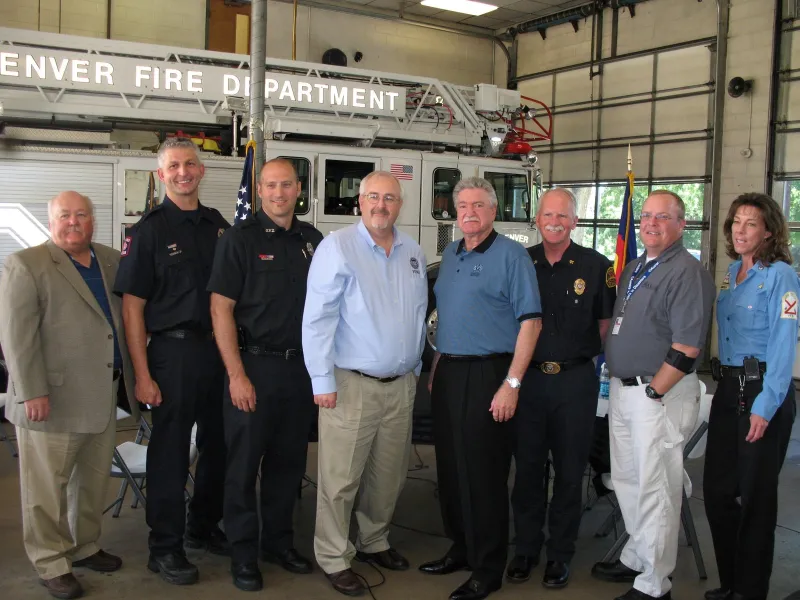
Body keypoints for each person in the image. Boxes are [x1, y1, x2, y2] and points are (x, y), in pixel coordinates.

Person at [0, 191, 139, 600]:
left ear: (93, 219)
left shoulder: (111, 260)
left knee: (92, 483)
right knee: (46, 489)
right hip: (51, 400)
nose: (74, 222)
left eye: (81, 214)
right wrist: (31, 393)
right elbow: (16, 337)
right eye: (65, 215)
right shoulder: (27, 265)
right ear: (51, 220)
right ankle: (50, 560)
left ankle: (84, 546)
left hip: (103, 396)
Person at [302, 171, 427, 597]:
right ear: (360, 200)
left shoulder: (412, 250)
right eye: (373, 196)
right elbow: (317, 319)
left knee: (388, 475)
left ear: (400, 203)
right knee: (340, 480)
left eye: (389, 198)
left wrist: (413, 368)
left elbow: (417, 314)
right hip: (350, 384)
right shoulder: (338, 247)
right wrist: (322, 379)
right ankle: (334, 556)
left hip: (401, 384)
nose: (381, 205)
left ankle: (374, 540)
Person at [113, 137, 230, 586]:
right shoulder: (148, 231)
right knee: (170, 452)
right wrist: (142, 374)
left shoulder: (219, 225)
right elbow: (132, 309)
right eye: (174, 166)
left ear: (201, 172)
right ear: (162, 176)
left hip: (217, 351)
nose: (183, 172)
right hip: (171, 353)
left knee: (220, 445)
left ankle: (203, 526)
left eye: (190, 164)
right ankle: (164, 546)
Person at [420, 177, 542, 600]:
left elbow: (531, 322)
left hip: (491, 374)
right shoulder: (451, 254)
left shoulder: (512, 256)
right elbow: (448, 319)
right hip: (450, 372)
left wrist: (512, 383)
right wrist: (438, 367)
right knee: (451, 471)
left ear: (493, 211)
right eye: (463, 205)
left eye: (478, 205)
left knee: (484, 474)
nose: (469, 212)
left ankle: (488, 569)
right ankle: (461, 548)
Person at [592, 190, 715, 600]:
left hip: (656, 394)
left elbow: (687, 347)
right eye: (646, 216)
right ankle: (636, 555)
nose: (650, 223)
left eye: (662, 217)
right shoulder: (634, 268)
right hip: (626, 394)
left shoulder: (686, 271)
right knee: (628, 480)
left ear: (682, 224)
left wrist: (653, 391)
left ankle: (654, 582)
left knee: (656, 486)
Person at [207, 159, 323, 592]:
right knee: (242, 468)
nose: (279, 193)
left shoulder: (313, 241)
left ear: (298, 189)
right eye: (271, 185)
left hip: (299, 371)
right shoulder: (239, 239)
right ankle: (242, 553)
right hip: (252, 366)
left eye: (287, 185)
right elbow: (221, 309)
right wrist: (236, 374)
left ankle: (278, 543)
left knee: (288, 465)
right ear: (259, 190)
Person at [508, 188, 616, 588]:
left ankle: (560, 555)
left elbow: (604, 330)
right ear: (537, 219)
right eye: (547, 214)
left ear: (574, 221)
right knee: (528, 471)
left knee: (571, 474)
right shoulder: (521, 263)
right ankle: (525, 549)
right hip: (529, 381)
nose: (554, 221)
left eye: (563, 215)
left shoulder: (596, 266)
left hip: (574, 383)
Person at [703, 193, 799, 600]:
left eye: (751, 224)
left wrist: (766, 405)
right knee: (718, 491)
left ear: (770, 231)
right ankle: (731, 583)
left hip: (763, 392)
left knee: (756, 498)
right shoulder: (730, 273)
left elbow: (783, 344)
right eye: (736, 222)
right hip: (728, 388)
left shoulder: (780, 276)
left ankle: (750, 591)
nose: (740, 230)